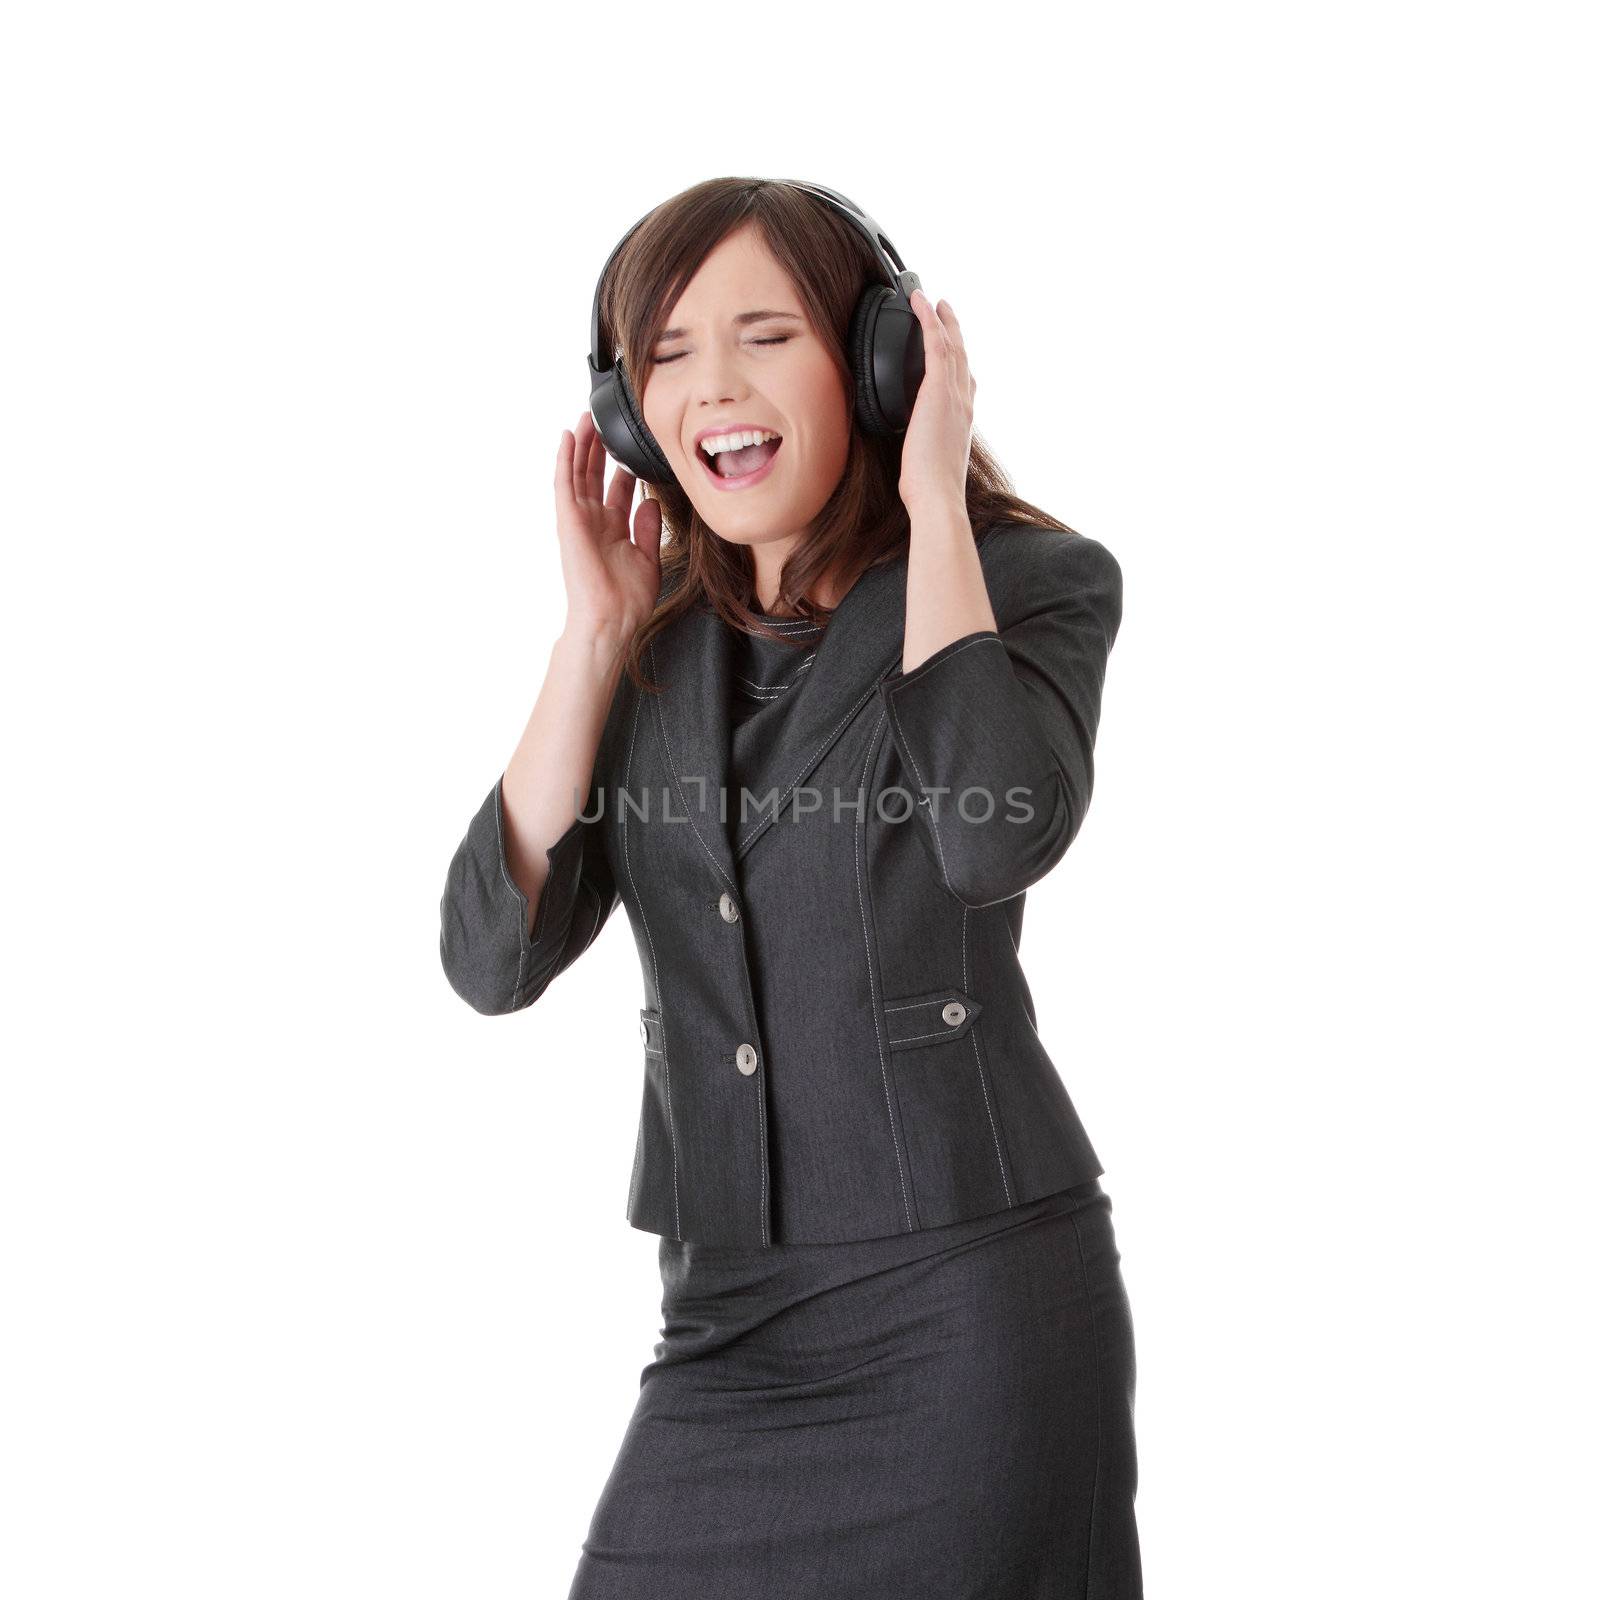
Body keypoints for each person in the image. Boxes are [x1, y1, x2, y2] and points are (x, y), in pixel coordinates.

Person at [439, 177, 1141, 1598]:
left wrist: (932, 500)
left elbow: (991, 836)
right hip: (724, 1322)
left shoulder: (1038, 581)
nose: (714, 387)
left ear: (875, 361)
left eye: (765, 335)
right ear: (632, 409)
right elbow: (488, 959)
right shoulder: (658, 646)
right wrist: (591, 641)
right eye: (671, 353)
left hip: (967, 1302)